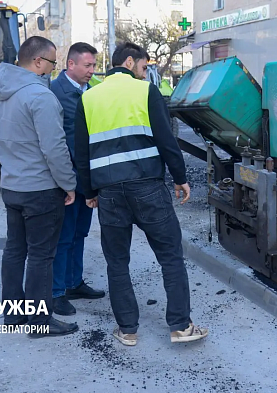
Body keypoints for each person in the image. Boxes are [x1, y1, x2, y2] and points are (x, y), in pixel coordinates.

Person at [74, 42, 207, 346]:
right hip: (147, 187)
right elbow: (166, 139)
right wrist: (180, 178)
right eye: (145, 67)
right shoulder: (145, 91)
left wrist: (89, 191)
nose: (146, 72)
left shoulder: (89, 97)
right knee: (171, 256)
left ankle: (128, 329)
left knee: (117, 262)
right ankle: (180, 326)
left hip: (109, 193)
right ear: (131, 62)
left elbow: (82, 152)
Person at [0, 36, 79, 338]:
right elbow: (54, 148)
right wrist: (69, 184)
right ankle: (40, 322)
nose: (53, 69)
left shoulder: (0, 92)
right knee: (41, 256)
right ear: (38, 62)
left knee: (15, 250)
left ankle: (14, 315)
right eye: (53, 63)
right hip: (40, 189)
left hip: (12, 185)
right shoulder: (41, 97)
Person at [50, 42, 105, 317]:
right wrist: (64, 181)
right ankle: (56, 292)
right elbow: (56, 142)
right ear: (70, 64)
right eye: (87, 65)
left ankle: (74, 283)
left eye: (94, 65)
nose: (91, 71)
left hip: (87, 178)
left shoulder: (92, 93)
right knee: (63, 236)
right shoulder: (53, 93)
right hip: (66, 180)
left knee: (80, 234)